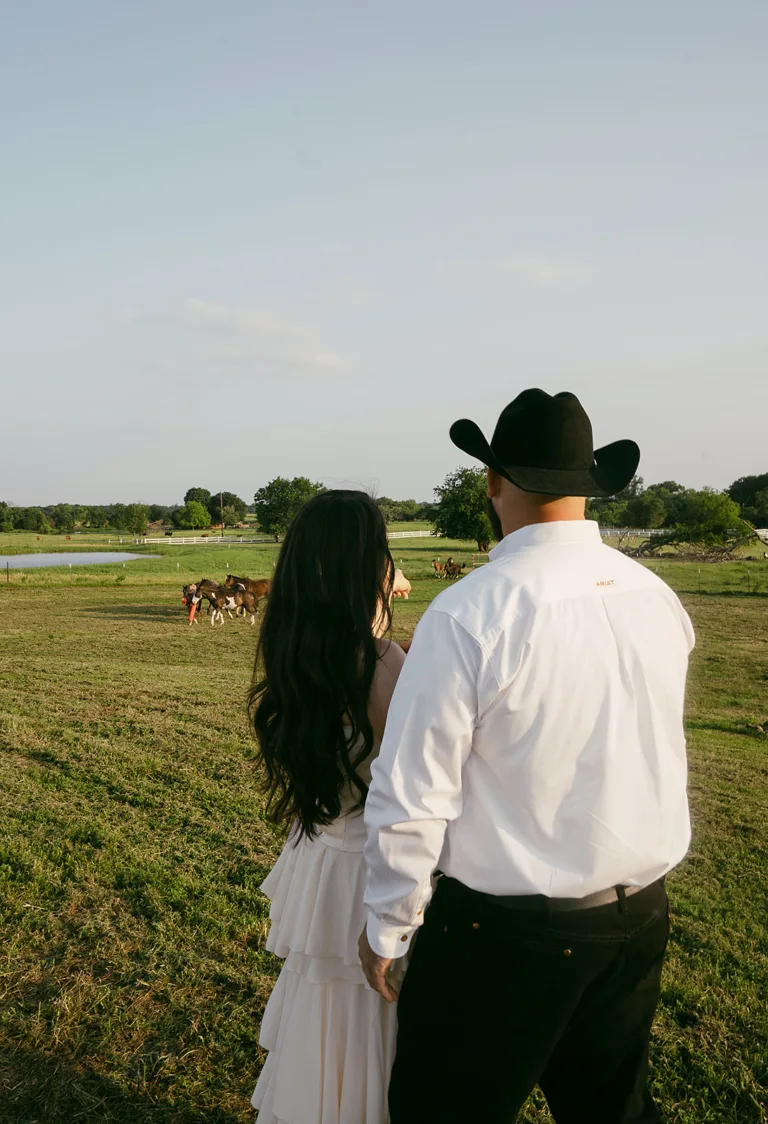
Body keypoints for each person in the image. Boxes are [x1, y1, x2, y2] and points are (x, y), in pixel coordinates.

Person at [360, 388, 695, 1123]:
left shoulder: (470, 611)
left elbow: (414, 791)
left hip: (504, 934)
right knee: (613, 1109)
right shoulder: (656, 596)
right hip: (638, 916)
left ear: (492, 481)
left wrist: (389, 925)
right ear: (592, 485)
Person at [249, 490, 406, 1124]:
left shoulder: (301, 653)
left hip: (323, 850)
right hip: (370, 871)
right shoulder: (378, 668)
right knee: (371, 1020)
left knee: (326, 1014)